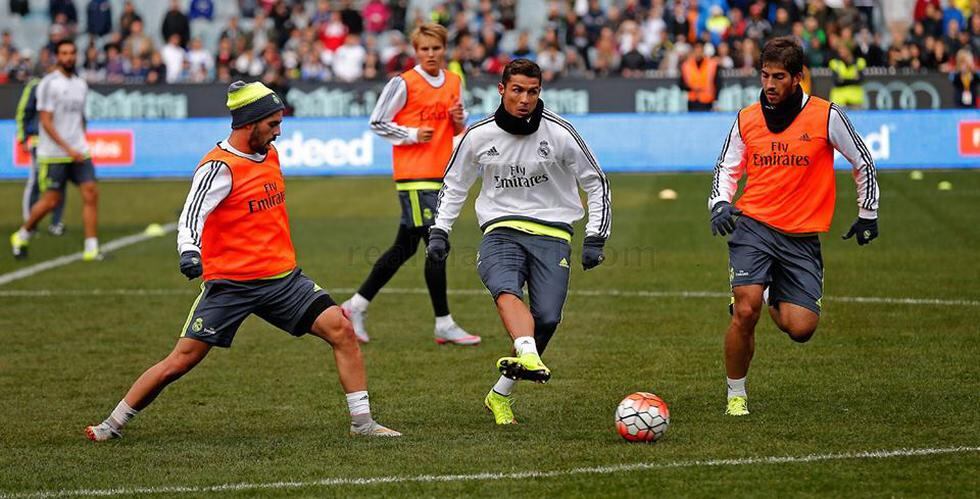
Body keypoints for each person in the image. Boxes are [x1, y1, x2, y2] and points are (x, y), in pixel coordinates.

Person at [84, 81, 400, 441]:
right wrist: (189, 251)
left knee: (341, 329)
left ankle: (362, 423)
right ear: (249, 123)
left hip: (283, 280)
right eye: (273, 125)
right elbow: (191, 215)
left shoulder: (270, 154)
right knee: (181, 361)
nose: (278, 133)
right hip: (231, 286)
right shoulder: (218, 167)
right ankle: (111, 425)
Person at [427, 59, 612, 425]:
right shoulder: (478, 136)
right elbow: (455, 185)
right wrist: (440, 230)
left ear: (539, 92)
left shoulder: (560, 132)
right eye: (517, 90)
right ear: (501, 90)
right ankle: (527, 351)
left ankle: (500, 395)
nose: (524, 98)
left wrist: (595, 235)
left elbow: (595, 180)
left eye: (532, 91)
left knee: (547, 317)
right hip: (500, 228)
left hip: (553, 233)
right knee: (505, 287)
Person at [708, 37, 880, 417]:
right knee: (745, 310)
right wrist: (720, 202)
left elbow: (862, 159)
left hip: (801, 237)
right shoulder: (746, 118)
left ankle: (769, 293)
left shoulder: (826, 115)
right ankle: (736, 394)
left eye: (779, 76)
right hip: (753, 225)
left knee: (800, 328)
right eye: (765, 75)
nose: (769, 84)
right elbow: (727, 167)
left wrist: (868, 211)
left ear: (798, 78)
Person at [341, 23, 478, 346]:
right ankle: (443, 323)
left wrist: (458, 120)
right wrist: (412, 134)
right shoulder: (403, 83)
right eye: (424, 49)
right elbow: (377, 121)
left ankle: (354, 306)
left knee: (404, 247)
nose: (430, 54)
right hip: (414, 176)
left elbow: (458, 130)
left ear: (445, 49)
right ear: (416, 52)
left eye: (436, 48)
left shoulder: (455, 82)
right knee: (437, 245)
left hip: (440, 174)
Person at [11, 40, 100, 261]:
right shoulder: (48, 84)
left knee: (90, 193)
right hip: (53, 154)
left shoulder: (81, 84)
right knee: (51, 201)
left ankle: (91, 248)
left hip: (79, 150)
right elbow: (46, 122)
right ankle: (22, 233)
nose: (68, 57)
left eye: (71, 53)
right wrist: (68, 148)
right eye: (64, 53)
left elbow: (79, 118)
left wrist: (81, 141)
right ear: (57, 56)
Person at [15, 75, 67, 237]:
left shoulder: (67, 83)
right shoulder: (35, 85)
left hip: (60, 142)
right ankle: (30, 222)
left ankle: (56, 223)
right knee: (36, 181)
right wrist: (22, 137)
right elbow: (24, 110)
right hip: (39, 141)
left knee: (60, 184)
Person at [680, 40, 721, 112]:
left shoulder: (712, 64)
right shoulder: (686, 65)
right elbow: (681, 84)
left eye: (700, 49)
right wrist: (691, 88)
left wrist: (716, 100)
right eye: (696, 49)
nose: (698, 51)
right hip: (692, 101)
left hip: (707, 101)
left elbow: (718, 83)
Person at [828, 44, 866, 109]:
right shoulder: (834, 63)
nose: (840, 51)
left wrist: (843, 79)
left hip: (855, 99)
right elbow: (837, 82)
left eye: (843, 49)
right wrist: (853, 79)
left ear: (849, 50)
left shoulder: (859, 62)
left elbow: (860, 80)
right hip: (839, 100)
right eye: (840, 49)